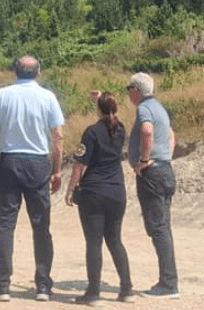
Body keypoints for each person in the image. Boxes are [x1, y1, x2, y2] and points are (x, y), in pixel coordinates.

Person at [0, 55, 65, 302]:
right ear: (38, 72)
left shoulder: (2, 95)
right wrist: (57, 169)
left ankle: (3, 285)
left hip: (9, 160)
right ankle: (43, 285)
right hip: (38, 162)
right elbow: (58, 138)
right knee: (41, 226)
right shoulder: (48, 97)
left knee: (6, 224)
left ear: (14, 72)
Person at [65, 91, 135, 306]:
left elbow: (79, 163)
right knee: (114, 240)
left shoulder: (91, 132)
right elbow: (108, 112)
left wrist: (70, 189)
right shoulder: (120, 129)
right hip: (117, 191)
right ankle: (126, 289)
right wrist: (101, 99)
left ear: (98, 109)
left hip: (94, 191)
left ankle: (93, 292)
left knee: (94, 241)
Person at [126, 72, 179, 299]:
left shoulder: (144, 108)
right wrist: (165, 155)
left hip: (153, 175)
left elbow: (147, 131)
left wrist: (145, 160)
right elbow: (171, 135)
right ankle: (169, 281)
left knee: (157, 228)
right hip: (165, 170)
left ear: (136, 90)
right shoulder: (159, 107)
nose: (128, 93)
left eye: (129, 88)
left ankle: (168, 284)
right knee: (162, 227)